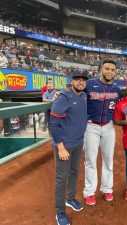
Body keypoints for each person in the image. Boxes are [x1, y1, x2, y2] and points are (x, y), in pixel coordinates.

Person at [50, 70, 89, 225]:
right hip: (64, 145)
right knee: (62, 177)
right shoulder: (63, 98)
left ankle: (70, 198)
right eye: (77, 79)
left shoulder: (84, 96)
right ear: (71, 81)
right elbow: (53, 124)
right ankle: (60, 212)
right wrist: (60, 147)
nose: (81, 82)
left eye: (83, 80)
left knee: (74, 172)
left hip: (78, 143)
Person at [83, 58, 122, 205]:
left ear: (115, 72)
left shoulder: (117, 90)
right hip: (91, 126)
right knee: (90, 160)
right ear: (101, 69)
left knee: (108, 159)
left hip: (108, 126)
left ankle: (107, 189)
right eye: (107, 68)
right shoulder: (90, 85)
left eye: (112, 70)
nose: (109, 72)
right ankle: (89, 191)